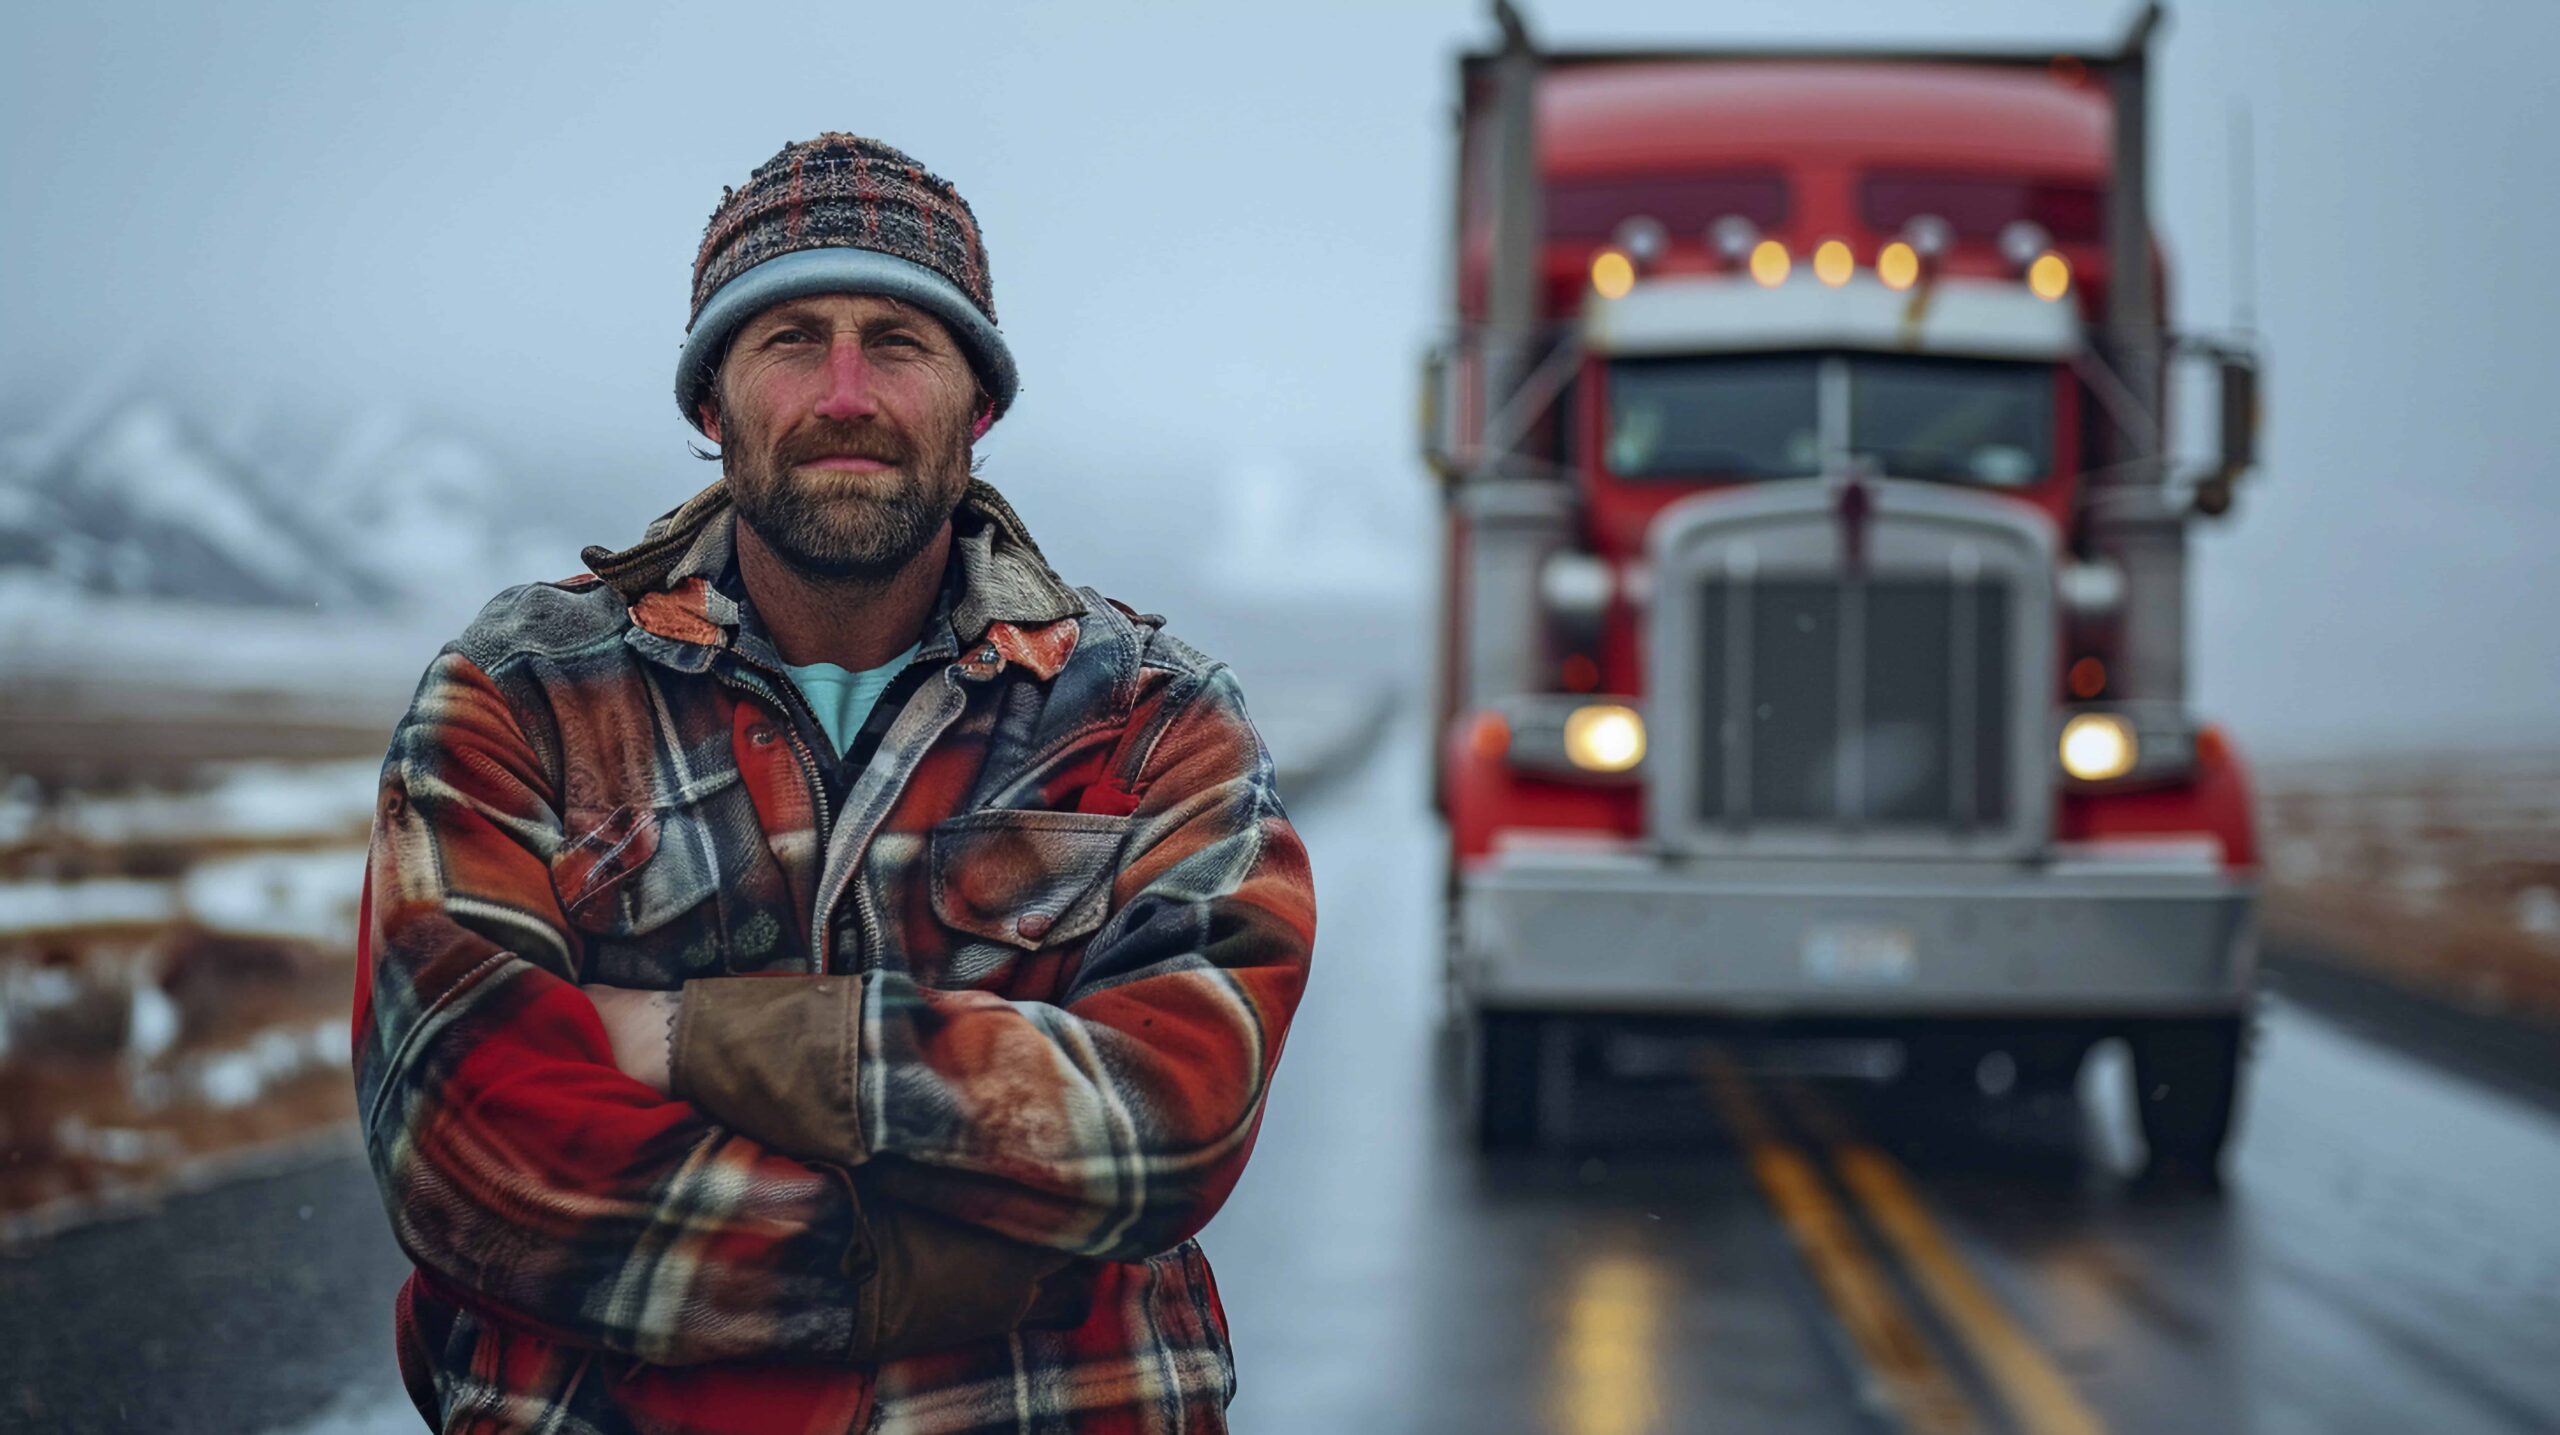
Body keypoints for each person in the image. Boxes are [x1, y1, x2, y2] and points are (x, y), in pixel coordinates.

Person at [354, 132, 1315, 1434]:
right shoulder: (524, 695)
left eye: (902, 343)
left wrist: (691, 1039)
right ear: (712, 405)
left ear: (976, 410)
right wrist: (947, 1262)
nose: (847, 392)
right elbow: (469, 1146)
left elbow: (1172, 1117)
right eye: (792, 338)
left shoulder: (1154, 714)